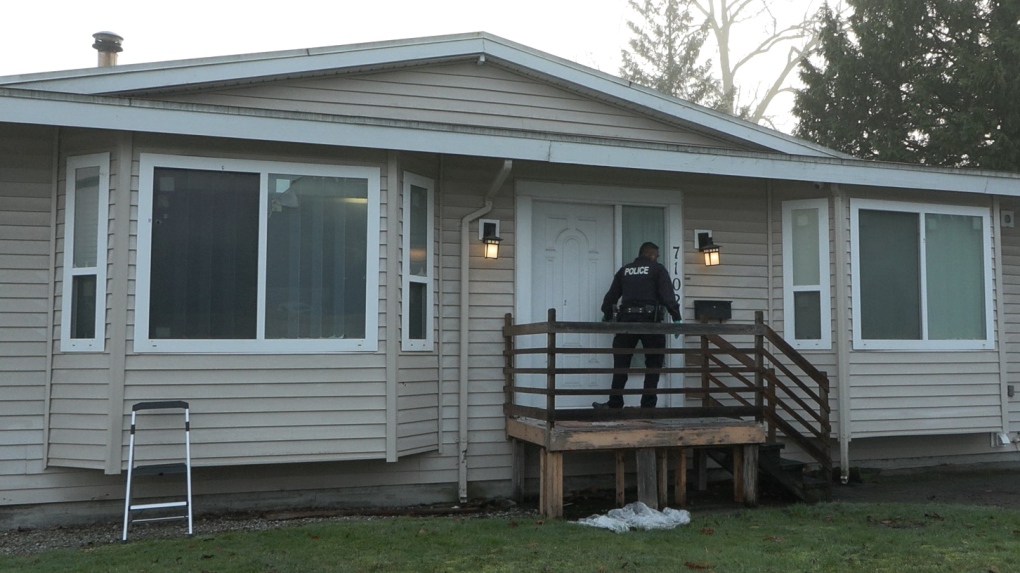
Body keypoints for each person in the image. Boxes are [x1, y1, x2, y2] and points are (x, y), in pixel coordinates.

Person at [594, 242, 682, 409]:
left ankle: (615, 404)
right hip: (651, 323)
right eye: (657, 256)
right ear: (651, 255)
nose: (657, 259)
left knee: (621, 364)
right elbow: (667, 295)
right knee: (653, 365)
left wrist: (606, 314)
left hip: (626, 322)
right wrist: (676, 317)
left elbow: (611, 297)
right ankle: (647, 407)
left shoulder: (625, 270)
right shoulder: (657, 269)